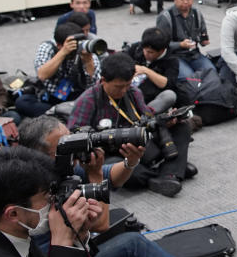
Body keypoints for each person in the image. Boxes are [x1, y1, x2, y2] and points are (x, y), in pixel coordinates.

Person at [18, 117, 237, 257]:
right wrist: (93, 174)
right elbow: (101, 223)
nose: (73, 149)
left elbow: (111, 177)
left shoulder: (55, 170)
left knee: (136, 238)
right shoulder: (32, 193)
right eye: (63, 146)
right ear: (40, 155)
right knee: (133, 247)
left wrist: (131, 162)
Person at [67, 53, 197, 196]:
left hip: (140, 142)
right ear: (103, 80)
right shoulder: (88, 100)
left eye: (127, 85)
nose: (123, 91)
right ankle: (171, 171)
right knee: (122, 172)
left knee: (182, 127)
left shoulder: (133, 92)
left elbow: (147, 118)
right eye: (118, 87)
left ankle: (168, 174)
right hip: (114, 153)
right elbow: (74, 136)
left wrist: (166, 122)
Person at [15, 23, 101, 118]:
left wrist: (88, 61)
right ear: (58, 45)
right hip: (51, 96)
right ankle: (62, 115)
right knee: (22, 102)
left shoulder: (85, 48)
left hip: (77, 98)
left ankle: (59, 116)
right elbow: (42, 75)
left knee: (96, 102)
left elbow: (94, 84)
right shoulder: (48, 47)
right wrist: (63, 52)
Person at [156, 0, 215, 80]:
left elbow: (203, 36)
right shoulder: (165, 17)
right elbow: (160, 45)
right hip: (174, 57)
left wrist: (204, 41)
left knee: (212, 73)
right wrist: (180, 45)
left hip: (194, 55)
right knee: (190, 79)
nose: (186, 2)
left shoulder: (197, 14)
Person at [126, 28, 181, 108]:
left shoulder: (172, 60)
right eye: (145, 50)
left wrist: (146, 71)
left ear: (162, 50)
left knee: (170, 96)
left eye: (150, 52)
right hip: (129, 90)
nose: (146, 53)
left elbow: (168, 84)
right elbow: (122, 61)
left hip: (151, 98)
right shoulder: (137, 48)